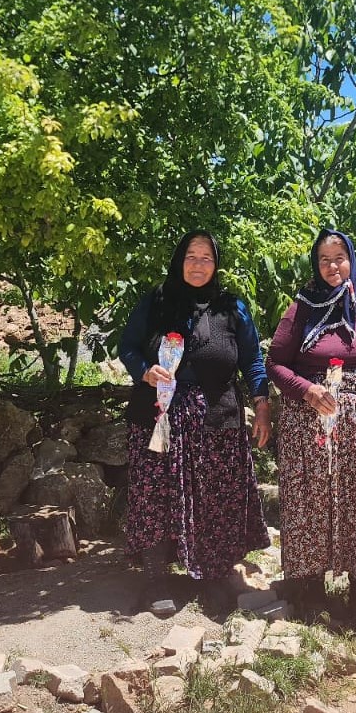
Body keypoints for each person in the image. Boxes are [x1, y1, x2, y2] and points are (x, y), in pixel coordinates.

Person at [119, 230, 271, 610]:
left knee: (216, 496)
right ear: (179, 260)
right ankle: (157, 581)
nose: (198, 264)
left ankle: (215, 576)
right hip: (159, 415)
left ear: (216, 263)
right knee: (156, 493)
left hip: (216, 414)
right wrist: (144, 371)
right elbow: (127, 346)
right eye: (191, 256)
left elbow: (252, 359)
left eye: (206, 257)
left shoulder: (231, 307)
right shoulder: (156, 301)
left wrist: (262, 403)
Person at [267, 230, 356, 625]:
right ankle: (312, 590)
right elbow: (275, 362)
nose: (332, 266)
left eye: (339, 257)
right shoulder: (301, 309)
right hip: (308, 420)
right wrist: (307, 390)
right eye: (324, 259)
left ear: (351, 260)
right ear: (316, 264)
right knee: (312, 501)